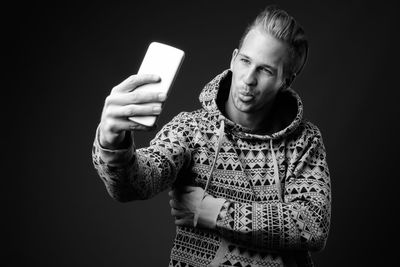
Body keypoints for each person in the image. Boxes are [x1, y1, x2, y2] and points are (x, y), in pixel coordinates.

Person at [92, 5, 331, 267]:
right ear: (233, 58)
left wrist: (211, 211)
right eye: (245, 61)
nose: (248, 79)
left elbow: (312, 224)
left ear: (286, 81)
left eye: (266, 70)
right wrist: (112, 142)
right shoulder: (191, 129)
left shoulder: (304, 141)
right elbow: (135, 183)